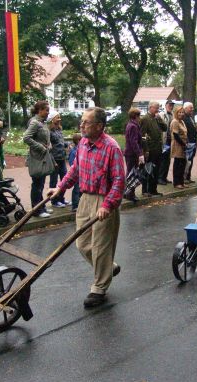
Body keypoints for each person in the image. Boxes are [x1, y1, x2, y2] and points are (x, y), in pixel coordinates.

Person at [48, 107, 125, 308]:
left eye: (86, 122)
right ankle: (109, 267)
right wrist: (60, 188)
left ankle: (99, 287)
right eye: (81, 121)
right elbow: (75, 169)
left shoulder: (112, 148)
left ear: (99, 126)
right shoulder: (83, 143)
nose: (81, 125)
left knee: (100, 246)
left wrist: (108, 205)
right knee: (82, 244)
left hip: (104, 200)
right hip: (85, 199)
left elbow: (119, 180)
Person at [23, 100, 53, 218]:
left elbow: (44, 138)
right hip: (36, 158)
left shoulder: (42, 122)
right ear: (39, 110)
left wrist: (49, 144)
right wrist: (41, 147)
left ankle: (41, 207)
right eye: (46, 110)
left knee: (40, 183)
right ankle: (36, 210)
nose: (48, 112)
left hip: (42, 157)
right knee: (37, 184)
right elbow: (26, 138)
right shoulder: (35, 122)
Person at [139, 101, 166, 197]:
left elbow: (165, 128)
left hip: (158, 148)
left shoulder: (157, 118)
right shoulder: (145, 119)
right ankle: (145, 190)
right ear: (150, 108)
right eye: (155, 108)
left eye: (158, 108)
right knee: (148, 170)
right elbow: (142, 135)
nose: (157, 110)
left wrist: (160, 119)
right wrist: (145, 149)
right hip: (150, 149)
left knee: (156, 170)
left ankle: (153, 189)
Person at [47, 111, 69, 208]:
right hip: (54, 160)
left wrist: (67, 144)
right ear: (52, 119)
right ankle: (54, 201)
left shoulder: (59, 129)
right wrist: (52, 161)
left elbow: (60, 142)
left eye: (60, 117)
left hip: (62, 158)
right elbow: (49, 148)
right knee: (53, 181)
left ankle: (61, 198)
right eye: (57, 117)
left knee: (64, 179)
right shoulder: (49, 132)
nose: (59, 119)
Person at [170, 106, 188, 189]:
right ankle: (176, 183)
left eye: (182, 112)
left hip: (183, 144)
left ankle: (181, 182)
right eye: (179, 112)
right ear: (176, 113)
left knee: (183, 164)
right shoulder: (175, 122)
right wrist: (183, 144)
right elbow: (175, 135)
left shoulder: (182, 122)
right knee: (178, 164)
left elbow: (184, 133)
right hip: (177, 145)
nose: (181, 114)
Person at [158, 100, 175, 185]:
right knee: (163, 159)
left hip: (170, 140)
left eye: (172, 105)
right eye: (169, 105)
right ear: (166, 105)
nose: (171, 107)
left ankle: (164, 177)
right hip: (164, 141)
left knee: (168, 160)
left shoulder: (173, 115)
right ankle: (160, 177)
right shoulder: (161, 114)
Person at [183, 102, 197, 184]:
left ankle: (188, 177)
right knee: (187, 161)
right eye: (190, 108)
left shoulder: (190, 118)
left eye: (192, 108)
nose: (192, 109)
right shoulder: (183, 118)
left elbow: (193, 130)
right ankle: (184, 178)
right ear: (185, 108)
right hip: (188, 143)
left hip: (193, 143)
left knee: (190, 161)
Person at [67, 133, 82, 211]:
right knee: (76, 189)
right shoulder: (74, 151)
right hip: (77, 174)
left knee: (80, 189)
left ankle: (79, 203)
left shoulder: (80, 149)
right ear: (78, 141)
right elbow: (71, 163)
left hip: (81, 173)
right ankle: (75, 205)